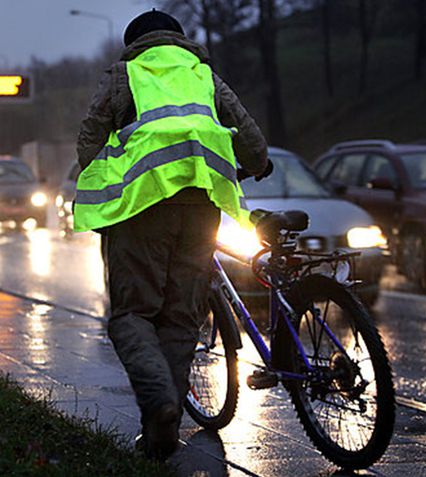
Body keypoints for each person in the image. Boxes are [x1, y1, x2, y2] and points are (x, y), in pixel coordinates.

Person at [74, 10, 270, 460]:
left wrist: (107, 180)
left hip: (142, 208)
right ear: (179, 40)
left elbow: (89, 139)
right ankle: (164, 431)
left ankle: (161, 402)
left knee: (133, 314)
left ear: (134, 43)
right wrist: (259, 165)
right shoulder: (202, 74)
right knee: (182, 316)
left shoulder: (126, 74)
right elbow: (248, 133)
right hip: (200, 206)